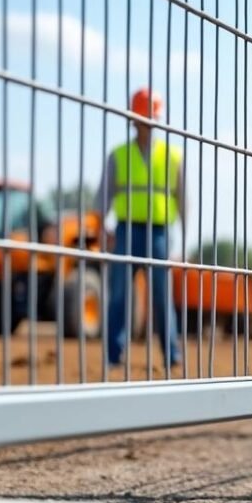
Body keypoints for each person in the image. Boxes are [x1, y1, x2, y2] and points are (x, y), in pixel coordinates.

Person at [98, 88, 186, 367]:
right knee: (119, 295)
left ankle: (171, 354)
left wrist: (183, 242)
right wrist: (103, 229)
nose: (148, 124)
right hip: (125, 232)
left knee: (162, 296)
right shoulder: (119, 155)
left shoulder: (173, 156)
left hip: (160, 233)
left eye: (151, 118)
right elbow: (102, 197)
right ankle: (114, 355)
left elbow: (184, 200)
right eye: (143, 118)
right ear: (133, 120)